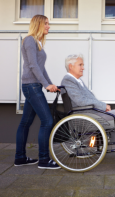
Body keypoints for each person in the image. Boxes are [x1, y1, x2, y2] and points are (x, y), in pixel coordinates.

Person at [14, 15, 60, 169]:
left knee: (25, 123)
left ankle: (20, 158)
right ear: (39, 24)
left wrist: (49, 84)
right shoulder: (29, 40)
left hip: (34, 86)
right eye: (46, 23)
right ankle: (44, 160)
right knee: (47, 121)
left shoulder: (38, 42)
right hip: (31, 86)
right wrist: (45, 85)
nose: (49, 26)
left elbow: (41, 68)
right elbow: (33, 66)